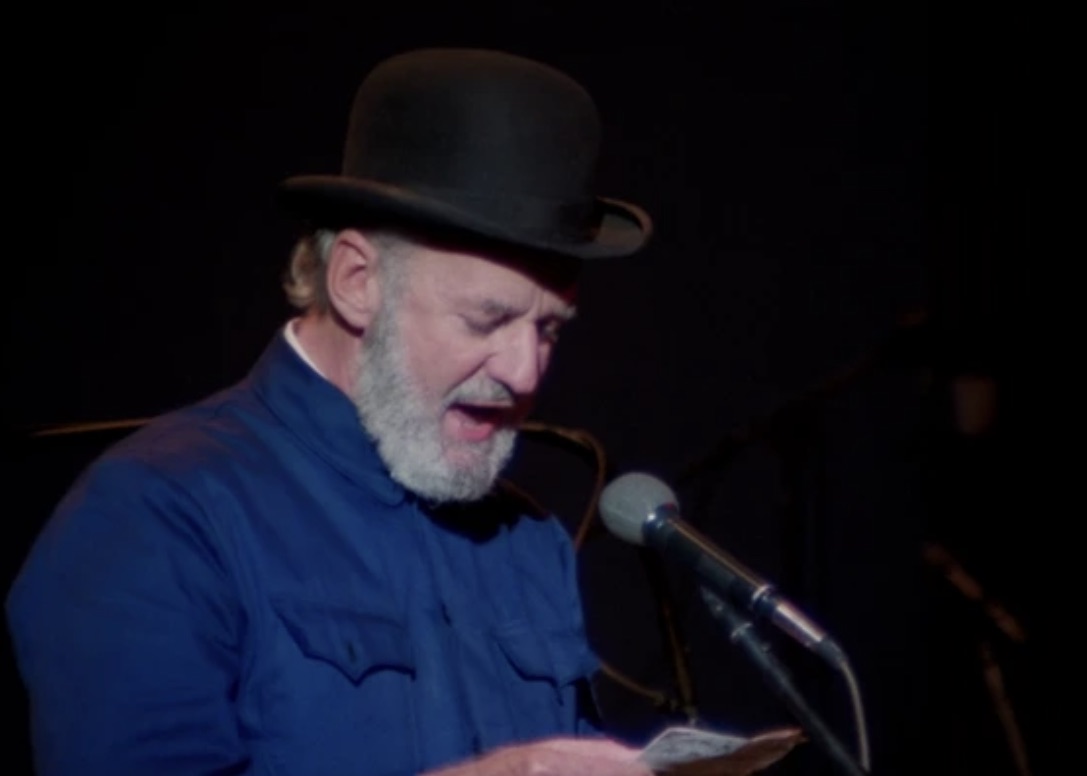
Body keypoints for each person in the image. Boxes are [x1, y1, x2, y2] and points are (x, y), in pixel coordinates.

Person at [6, 48, 657, 775]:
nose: (525, 369)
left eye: (549, 329)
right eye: (486, 320)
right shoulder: (159, 513)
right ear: (354, 282)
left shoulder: (527, 542)